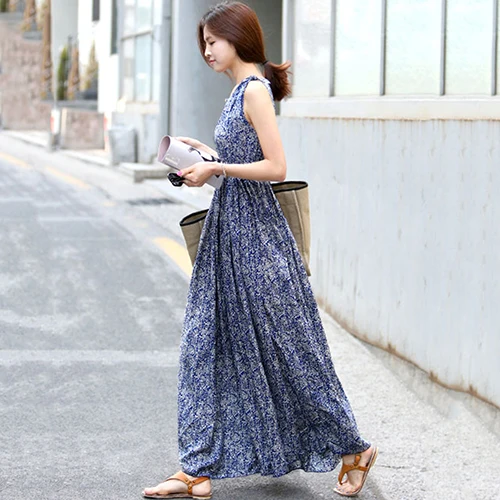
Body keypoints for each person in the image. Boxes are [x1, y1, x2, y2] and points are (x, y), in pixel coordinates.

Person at [142, 2, 377, 498]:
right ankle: (197, 466)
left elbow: (275, 167)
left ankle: (355, 449)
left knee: (292, 351)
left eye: (212, 41)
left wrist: (217, 167)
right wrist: (205, 157)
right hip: (229, 236)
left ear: (237, 37)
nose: (207, 51)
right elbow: (241, 164)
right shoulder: (237, 93)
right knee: (207, 346)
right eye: (203, 43)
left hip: (259, 240)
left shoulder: (254, 91)